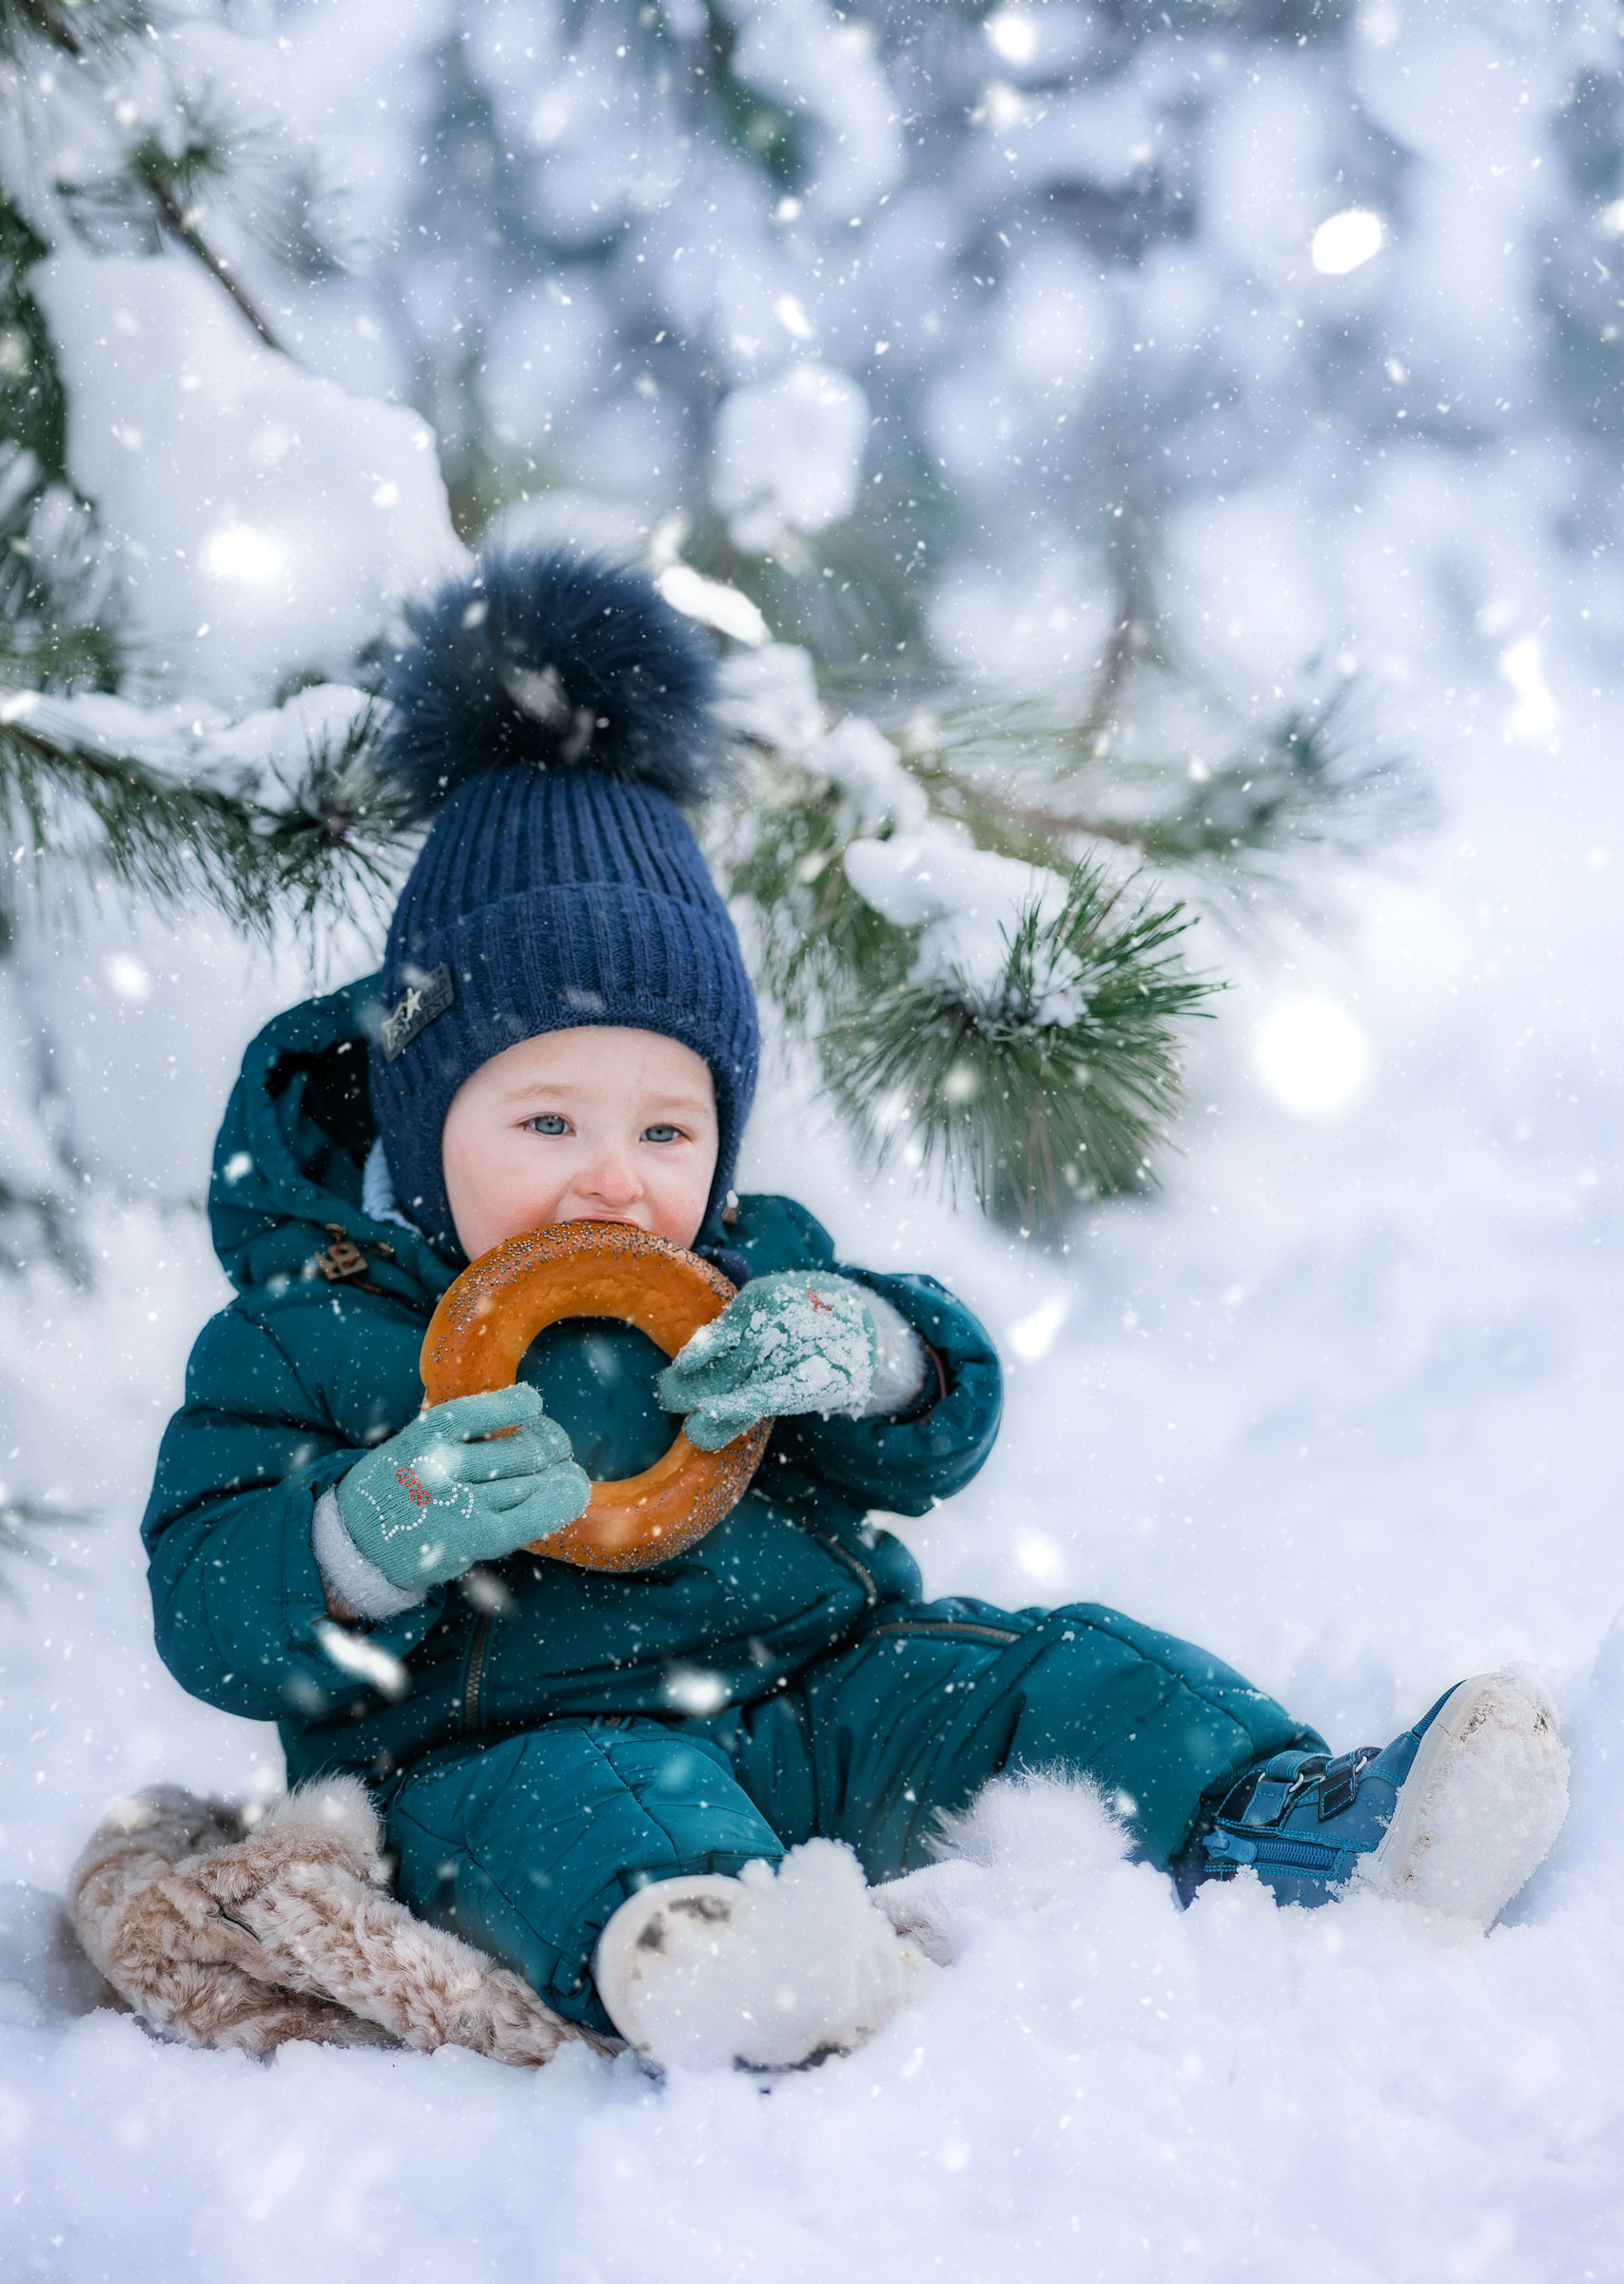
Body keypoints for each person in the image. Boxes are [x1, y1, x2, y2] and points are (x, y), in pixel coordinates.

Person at [143, 549, 1570, 2072]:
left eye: (667, 1132)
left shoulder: (747, 1281)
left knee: (1054, 1669)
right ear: (427, 1125)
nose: (611, 1185)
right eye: (546, 1125)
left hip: (826, 1701)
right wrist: (360, 1541)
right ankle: (702, 1948)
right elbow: (210, 1605)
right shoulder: (314, 1330)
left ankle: (1292, 1823)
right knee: (578, 1806)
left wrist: (878, 1363)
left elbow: (939, 1437)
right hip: (499, 1753)